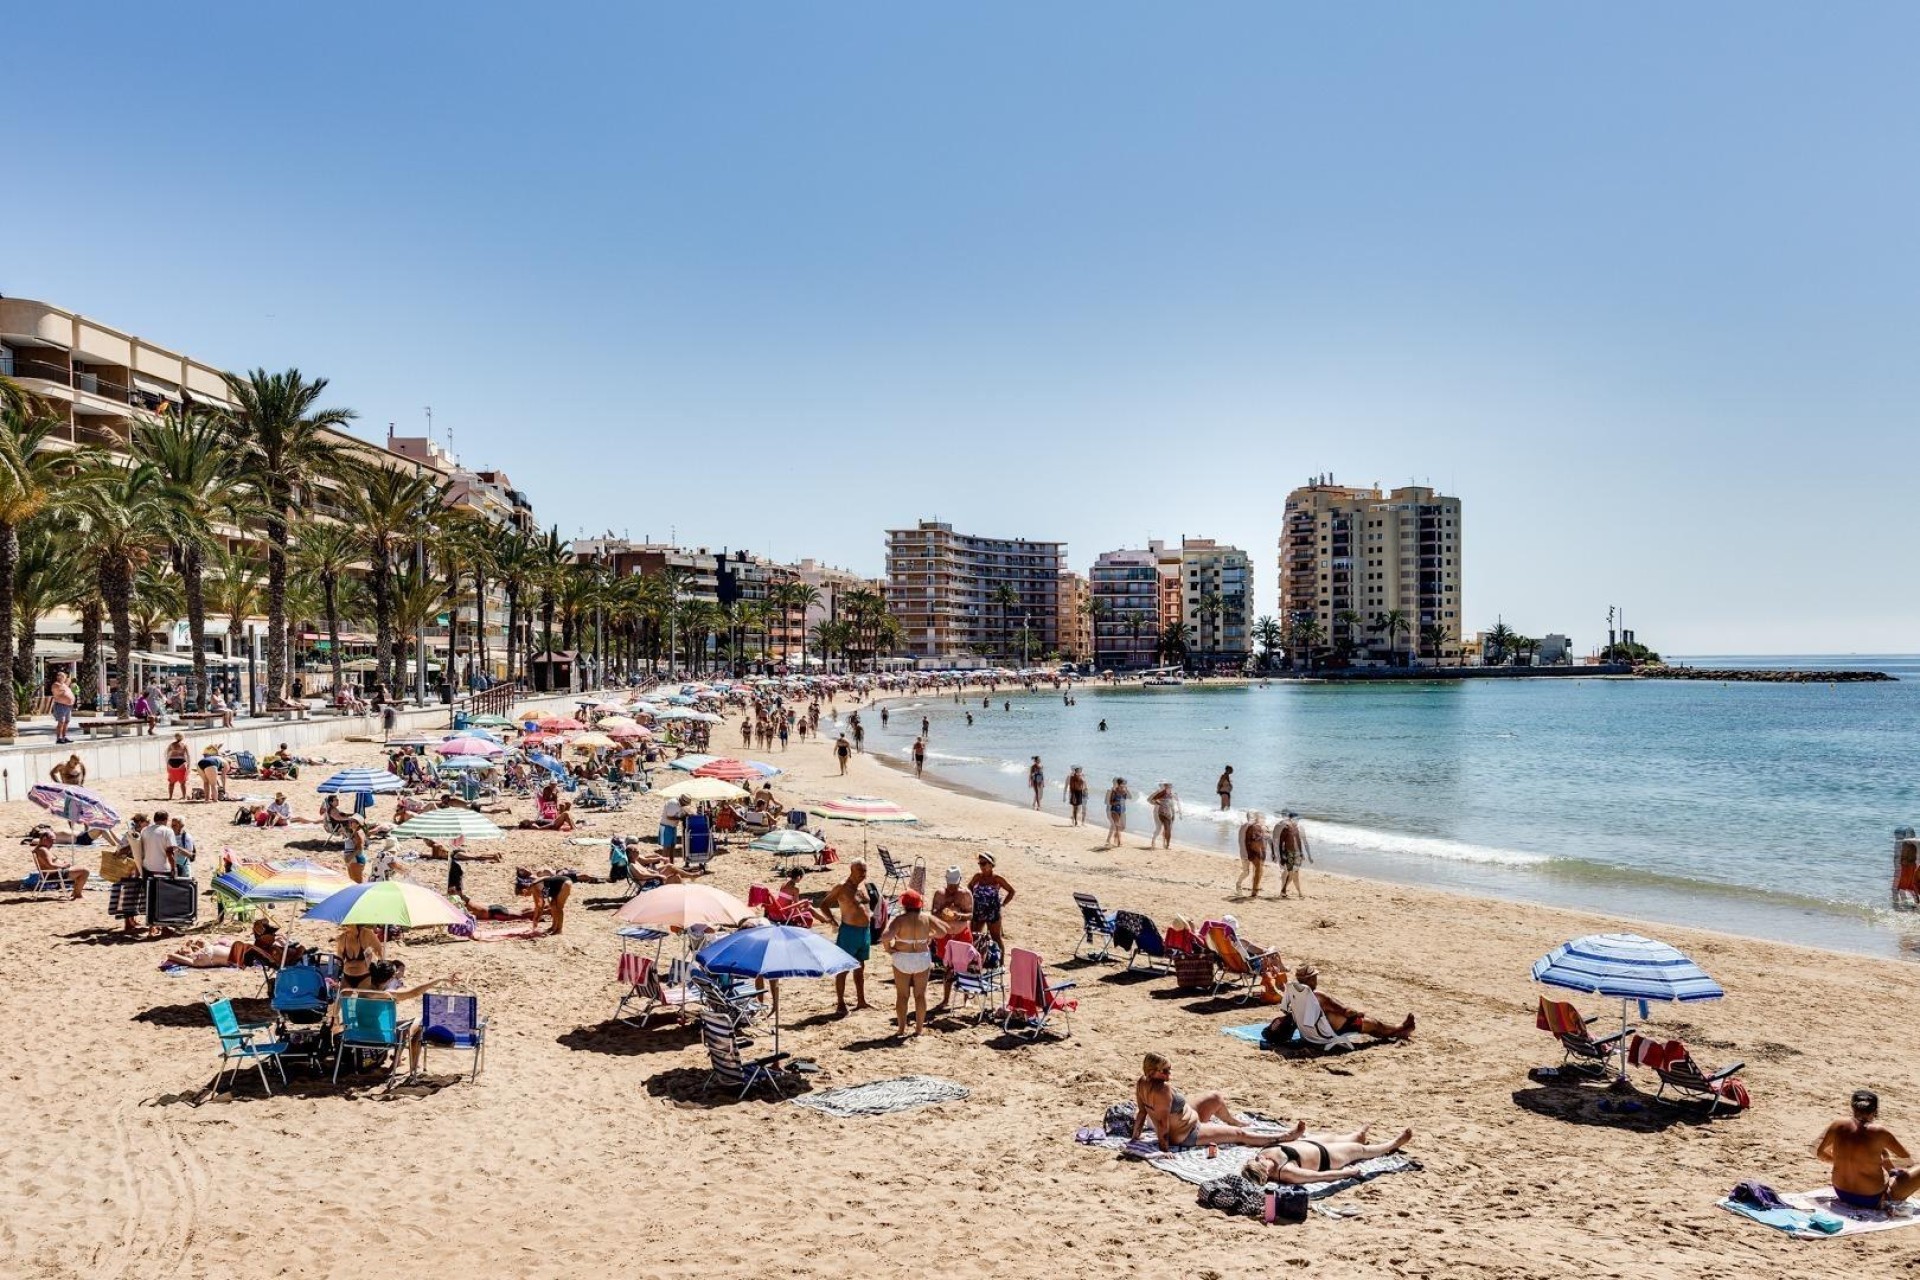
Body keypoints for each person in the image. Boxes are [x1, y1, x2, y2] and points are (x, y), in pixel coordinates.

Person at [1130, 1052, 1302, 1152]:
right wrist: (1164, 1150)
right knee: (1238, 1135)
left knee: (1215, 1097)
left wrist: (1135, 1136)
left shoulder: (1141, 1082)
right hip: (1188, 1133)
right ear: (1152, 1072)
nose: (1169, 1075)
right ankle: (1282, 1137)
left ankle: (1235, 1121)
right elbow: (1161, 1124)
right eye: (1165, 1071)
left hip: (1187, 1116)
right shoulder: (1163, 1090)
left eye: (1169, 1070)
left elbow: (1142, 1112)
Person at [1818, 1090, 1920, 1210]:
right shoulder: (1880, 1132)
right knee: (1885, 1155)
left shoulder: (1837, 1125)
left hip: (1842, 1193)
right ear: (1875, 1111)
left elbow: (1820, 1153)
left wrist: (1842, 1161)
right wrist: (1883, 1160)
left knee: (1878, 1153)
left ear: (1853, 1107)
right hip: (1872, 1199)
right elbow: (1906, 1159)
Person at [1269, 964, 1415, 1042]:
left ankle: (1396, 1031)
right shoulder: (1318, 997)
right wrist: (1359, 1012)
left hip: (1308, 1035)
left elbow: (1284, 1002)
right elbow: (1346, 1011)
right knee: (1374, 1024)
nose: (1316, 980)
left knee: (1368, 1024)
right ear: (1309, 980)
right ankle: (1400, 1029)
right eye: (1314, 977)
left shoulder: (1293, 992)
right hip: (1325, 1034)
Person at [1241, 1127, 1415, 1185]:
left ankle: (1356, 1135)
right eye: (1260, 1163)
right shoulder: (1286, 1172)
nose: (1260, 1158)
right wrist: (1347, 1173)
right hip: (1327, 1157)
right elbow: (1318, 1176)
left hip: (1310, 1143)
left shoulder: (1262, 1154)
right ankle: (1392, 1144)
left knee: (1338, 1137)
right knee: (1359, 1150)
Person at [817, 860, 878, 1014]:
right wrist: (832, 920)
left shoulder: (862, 886)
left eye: (865, 871)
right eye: (860, 871)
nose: (863, 875)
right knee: (843, 968)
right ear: (851, 870)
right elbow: (824, 904)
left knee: (860, 967)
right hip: (849, 932)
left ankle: (861, 1000)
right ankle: (840, 1003)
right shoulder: (842, 887)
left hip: (864, 932)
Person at [882, 889, 942, 1037]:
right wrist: (929, 936)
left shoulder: (899, 919)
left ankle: (901, 1029)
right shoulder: (926, 918)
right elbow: (943, 932)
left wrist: (889, 949)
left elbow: (885, 936)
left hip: (903, 957)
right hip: (921, 957)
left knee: (902, 996)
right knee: (920, 995)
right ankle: (919, 1029)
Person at [967, 853, 1015, 949]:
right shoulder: (977, 877)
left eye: (984, 863)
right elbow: (970, 886)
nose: (981, 866)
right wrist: (973, 899)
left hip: (992, 912)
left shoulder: (997, 879)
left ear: (991, 864)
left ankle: (1001, 962)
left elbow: (1011, 891)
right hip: (978, 910)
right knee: (974, 936)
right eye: (980, 864)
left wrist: (1003, 904)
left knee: (996, 938)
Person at [28, 832, 89, 899]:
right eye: (52, 840)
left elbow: (49, 864)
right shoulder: (43, 850)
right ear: (44, 839)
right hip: (54, 874)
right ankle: (77, 894)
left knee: (80, 868)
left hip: (53, 873)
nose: (53, 842)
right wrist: (63, 865)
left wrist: (62, 863)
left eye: (54, 840)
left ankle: (76, 892)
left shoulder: (40, 849)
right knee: (85, 871)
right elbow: (50, 865)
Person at [516, 867, 574, 934]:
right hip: (557, 886)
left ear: (524, 890)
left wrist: (535, 920)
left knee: (559, 908)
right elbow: (540, 906)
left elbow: (540, 906)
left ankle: (559, 929)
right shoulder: (534, 886)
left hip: (564, 883)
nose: (525, 896)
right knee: (553, 906)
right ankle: (553, 927)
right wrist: (536, 919)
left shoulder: (535, 887)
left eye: (524, 895)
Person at [1275, 810, 1311, 899]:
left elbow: (1299, 842)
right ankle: (1288, 892)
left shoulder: (1297, 829)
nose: (1298, 821)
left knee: (1295, 874)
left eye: (1298, 819)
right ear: (1291, 819)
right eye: (1296, 819)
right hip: (1288, 853)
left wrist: (1302, 853)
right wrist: (1282, 856)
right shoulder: (1286, 828)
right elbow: (1280, 843)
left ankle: (1295, 892)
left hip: (1297, 854)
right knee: (1291, 874)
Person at [337, 924, 385, 989]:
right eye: (343, 925)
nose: (344, 927)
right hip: (346, 976)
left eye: (347, 925)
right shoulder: (342, 938)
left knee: (361, 997)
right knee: (344, 998)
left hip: (364, 977)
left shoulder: (367, 934)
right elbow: (339, 960)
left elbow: (379, 952)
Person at [1237, 811, 1270, 897]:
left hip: (1245, 852)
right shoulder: (1253, 827)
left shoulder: (1245, 827)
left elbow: (1241, 840)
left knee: (1251, 871)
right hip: (1248, 852)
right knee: (1250, 871)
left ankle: (1254, 888)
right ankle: (1241, 885)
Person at [1148, 781, 1179, 849]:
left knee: (1167, 829)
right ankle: (1153, 841)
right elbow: (1149, 800)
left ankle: (1165, 844)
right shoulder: (1158, 792)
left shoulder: (1170, 793)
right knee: (1159, 828)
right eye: (1163, 786)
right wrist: (1158, 803)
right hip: (1157, 813)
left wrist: (1174, 813)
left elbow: (1172, 804)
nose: (1164, 787)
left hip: (1167, 813)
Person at [1102, 778, 1131, 850]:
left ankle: (1115, 836)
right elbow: (1107, 802)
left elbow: (1130, 797)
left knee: (1122, 827)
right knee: (1115, 825)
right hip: (1111, 810)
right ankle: (1114, 841)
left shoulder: (1124, 791)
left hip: (1122, 810)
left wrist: (1126, 790)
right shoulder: (1111, 790)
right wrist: (1116, 803)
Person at [164, 734, 191, 801]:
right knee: (182, 782)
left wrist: (167, 764)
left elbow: (167, 755)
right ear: (182, 737)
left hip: (171, 762)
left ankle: (170, 797)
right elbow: (188, 756)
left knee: (171, 782)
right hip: (181, 762)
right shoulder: (184, 745)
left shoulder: (171, 745)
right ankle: (184, 796)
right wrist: (188, 765)